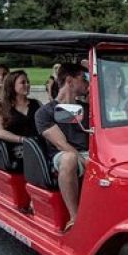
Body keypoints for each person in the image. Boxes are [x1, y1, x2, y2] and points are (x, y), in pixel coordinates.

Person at [35, 62, 90, 233]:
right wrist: (87, 162)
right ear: (69, 81)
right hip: (62, 155)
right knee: (69, 158)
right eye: (84, 78)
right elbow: (62, 144)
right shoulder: (45, 112)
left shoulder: (88, 108)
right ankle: (74, 217)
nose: (87, 82)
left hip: (89, 153)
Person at [0, 70, 41, 160]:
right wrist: (22, 139)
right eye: (23, 83)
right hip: (16, 147)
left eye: (28, 82)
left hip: (38, 144)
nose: (27, 85)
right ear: (12, 86)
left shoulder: (36, 104)